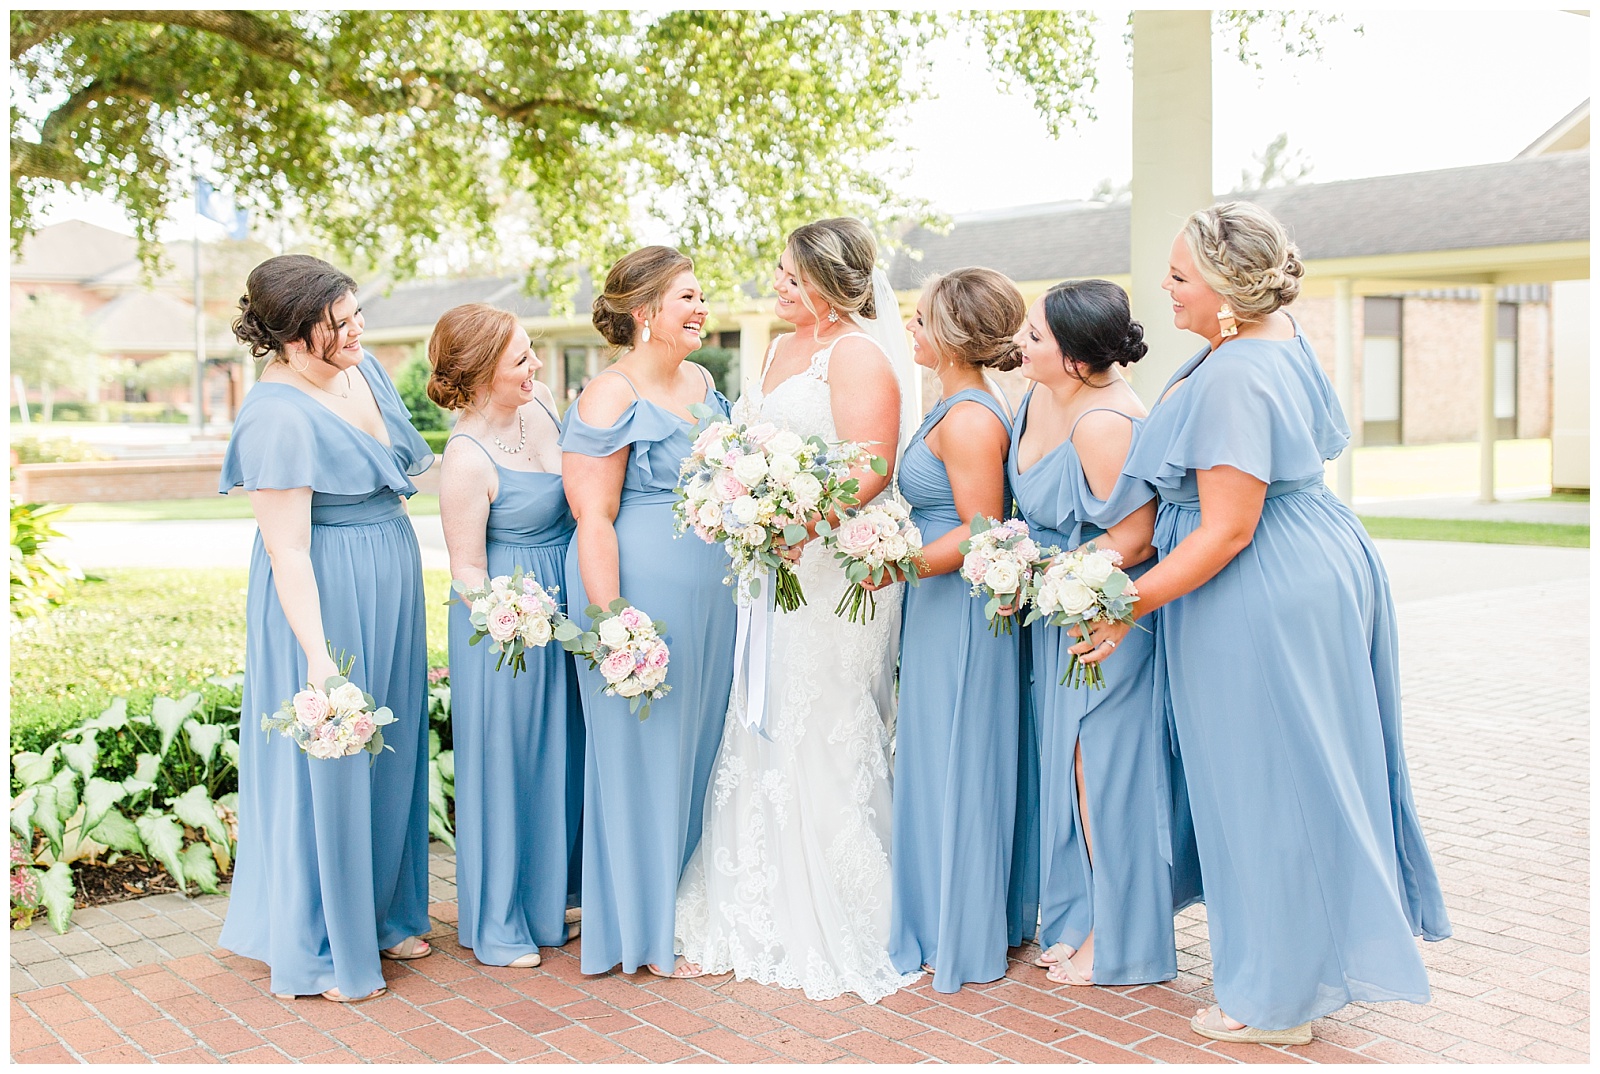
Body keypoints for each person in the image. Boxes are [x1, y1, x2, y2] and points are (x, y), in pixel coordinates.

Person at [1081, 201, 1451, 1043]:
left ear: (1225, 291)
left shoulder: (1241, 369)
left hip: (1259, 586)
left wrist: (1127, 603)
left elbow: (1227, 527)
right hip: (1306, 559)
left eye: (1179, 277)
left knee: (1262, 785)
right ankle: (1291, 971)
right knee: (1291, 774)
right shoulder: (1266, 338)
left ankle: (1276, 1003)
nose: (1164, 291)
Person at [674, 218, 917, 1003]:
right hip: (772, 564)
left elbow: (872, 467)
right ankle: (753, 898)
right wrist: (742, 502)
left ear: (829, 283)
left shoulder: (858, 356)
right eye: (778, 272)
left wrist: (794, 524)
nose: (777, 286)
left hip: (832, 570)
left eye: (790, 276)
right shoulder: (779, 350)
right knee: (762, 713)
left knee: (825, 719)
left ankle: (842, 908)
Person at [218, 254, 434, 1003]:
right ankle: (319, 942)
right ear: (292, 336)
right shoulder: (275, 414)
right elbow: (288, 547)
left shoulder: (362, 370)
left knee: (392, 753)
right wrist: (318, 659)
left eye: (355, 314)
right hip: (322, 592)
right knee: (334, 763)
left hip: (389, 573)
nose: (355, 331)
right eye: (337, 324)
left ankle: (381, 913)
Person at [1008, 279, 1199, 989]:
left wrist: (1064, 571)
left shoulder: (1105, 423)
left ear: (1080, 359)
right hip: (1055, 611)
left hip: (1106, 616)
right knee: (1071, 767)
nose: (1021, 344)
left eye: (1035, 337)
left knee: (1104, 777)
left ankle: (1123, 941)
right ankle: (1082, 917)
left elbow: (1139, 535)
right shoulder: (1040, 398)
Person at [560, 246, 736, 978]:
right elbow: (592, 519)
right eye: (687, 299)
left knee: (698, 754)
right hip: (638, 594)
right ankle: (641, 931)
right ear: (644, 314)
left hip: (714, 597)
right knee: (642, 759)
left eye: (701, 297)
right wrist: (615, 624)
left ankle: (687, 912)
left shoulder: (701, 379)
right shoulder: (610, 395)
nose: (701, 310)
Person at [886, 267, 1024, 993]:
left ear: (950, 335)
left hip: (963, 607)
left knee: (957, 757)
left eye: (918, 319)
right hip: (938, 604)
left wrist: (891, 563)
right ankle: (940, 912)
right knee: (936, 755)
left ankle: (958, 930)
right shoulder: (952, 404)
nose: (909, 329)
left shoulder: (970, 417)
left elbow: (982, 533)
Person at [432, 303, 583, 969]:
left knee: (561, 756)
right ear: (481, 371)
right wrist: (510, 614)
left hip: (567, 607)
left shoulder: (543, 405)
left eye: (532, 352)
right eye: (521, 358)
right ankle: (499, 924)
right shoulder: (464, 458)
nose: (536, 366)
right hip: (506, 629)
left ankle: (549, 904)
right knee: (508, 764)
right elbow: (465, 566)